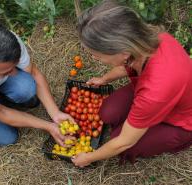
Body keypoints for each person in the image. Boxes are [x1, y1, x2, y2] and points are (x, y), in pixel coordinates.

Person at [72, 0, 192, 167]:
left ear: (124, 52)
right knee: (108, 113)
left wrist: (88, 158)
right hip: (162, 93)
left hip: (182, 120)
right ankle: (142, 123)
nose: (94, 58)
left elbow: (123, 142)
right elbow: (125, 67)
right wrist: (104, 79)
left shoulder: (154, 91)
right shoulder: (147, 40)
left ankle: (181, 139)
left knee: (123, 145)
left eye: (97, 55)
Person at [0, 20, 73, 146]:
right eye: (6, 71)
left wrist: (55, 113)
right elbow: (2, 113)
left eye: (14, 66)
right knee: (7, 139)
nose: (15, 73)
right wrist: (49, 126)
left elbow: (34, 73)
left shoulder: (6, 43)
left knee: (26, 87)